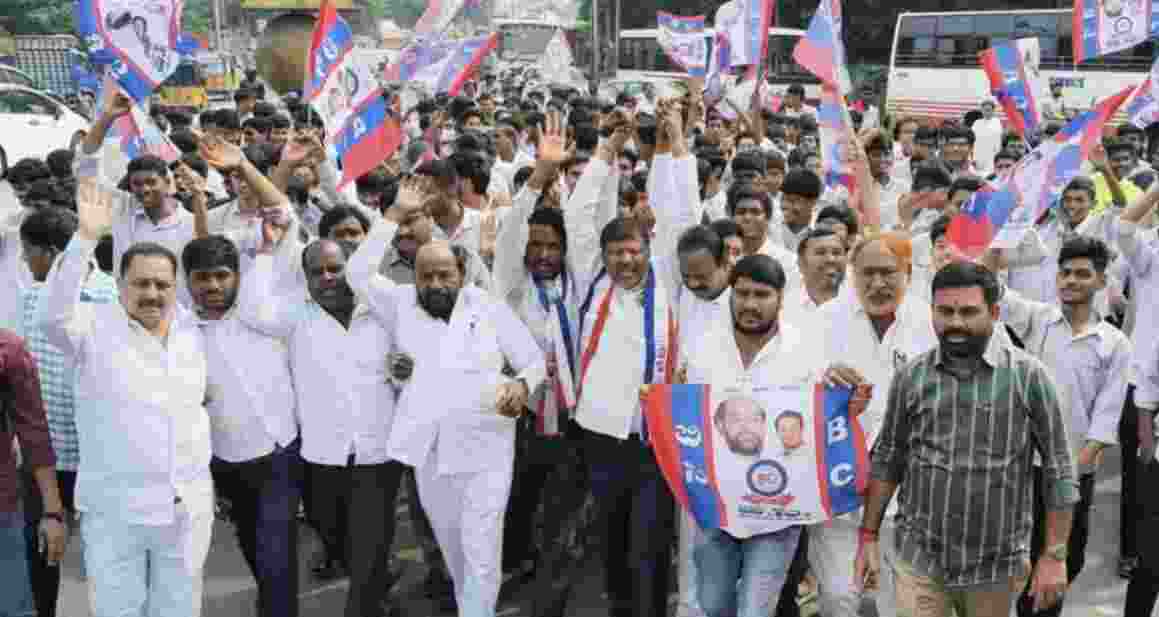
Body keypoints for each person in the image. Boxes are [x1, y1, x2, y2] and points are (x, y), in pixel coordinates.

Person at [344, 192, 545, 617]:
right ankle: (472, 607)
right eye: (426, 276)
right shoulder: (399, 304)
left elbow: (531, 360)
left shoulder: (486, 307)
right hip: (431, 454)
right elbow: (357, 271)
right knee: (455, 550)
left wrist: (522, 387)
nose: (435, 285)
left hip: (487, 449)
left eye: (444, 275)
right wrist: (393, 215)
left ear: (461, 274)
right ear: (413, 277)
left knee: (481, 548)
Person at [857, 262, 1078, 617]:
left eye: (968, 312)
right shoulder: (911, 377)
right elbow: (888, 459)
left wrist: (1054, 555)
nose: (956, 322)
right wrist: (867, 537)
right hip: (920, 559)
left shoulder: (1028, 378)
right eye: (945, 311)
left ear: (993, 312)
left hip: (996, 568)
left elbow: (1059, 469)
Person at [37, 181, 214, 617]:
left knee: (179, 609)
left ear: (176, 288)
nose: (152, 294)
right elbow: (51, 315)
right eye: (141, 284)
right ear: (120, 284)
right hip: (117, 513)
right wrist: (85, 237)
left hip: (185, 509)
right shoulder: (91, 329)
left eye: (162, 285)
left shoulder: (192, 330)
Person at [239, 226, 406, 617]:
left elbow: (413, 360)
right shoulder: (296, 314)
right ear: (306, 277)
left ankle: (367, 600)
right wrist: (265, 253)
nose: (327, 277)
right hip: (320, 454)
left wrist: (402, 371)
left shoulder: (383, 309)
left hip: (378, 453)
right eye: (317, 271)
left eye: (336, 268)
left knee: (368, 545)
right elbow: (250, 311)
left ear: (352, 269)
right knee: (336, 536)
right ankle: (377, 584)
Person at [984, 237, 1129, 617]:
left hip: (1076, 471)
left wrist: (1074, 471)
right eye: (1065, 273)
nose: (1071, 281)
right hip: (1023, 467)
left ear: (1101, 281)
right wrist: (997, 244)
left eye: (1082, 274)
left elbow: (1105, 417)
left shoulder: (1113, 344)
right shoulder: (1038, 320)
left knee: (1069, 558)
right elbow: (987, 286)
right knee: (1024, 557)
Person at [681, 254, 821, 617]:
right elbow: (688, 417)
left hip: (777, 510)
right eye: (741, 294)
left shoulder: (805, 352)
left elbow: (817, 423)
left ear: (780, 299)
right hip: (715, 507)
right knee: (714, 605)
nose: (750, 305)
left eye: (761, 295)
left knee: (754, 611)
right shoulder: (702, 346)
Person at [812, 233, 939, 617]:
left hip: (908, 494)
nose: (877, 284)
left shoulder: (931, 323)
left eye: (888, 273)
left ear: (909, 273)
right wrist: (822, 378)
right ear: (853, 274)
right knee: (839, 599)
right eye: (867, 273)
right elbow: (791, 385)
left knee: (899, 604)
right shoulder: (825, 320)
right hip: (838, 488)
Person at [182, 228, 304, 617]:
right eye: (202, 277)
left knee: (275, 556)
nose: (213, 285)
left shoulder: (261, 315)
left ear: (237, 276)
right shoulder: (180, 333)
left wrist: (268, 247)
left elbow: (282, 251)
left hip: (279, 454)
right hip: (225, 464)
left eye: (221, 275)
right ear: (188, 282)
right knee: (256, 551)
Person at [7, 207, 117, 617]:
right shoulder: (37, 295)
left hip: (85, 457)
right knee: (46, 555)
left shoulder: (111, 298)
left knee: (94, 560)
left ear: (52, 253)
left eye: (28, 251)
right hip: (54, 457)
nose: (24, 261)